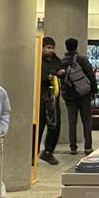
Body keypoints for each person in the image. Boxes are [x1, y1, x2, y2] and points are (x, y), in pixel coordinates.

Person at [58, 37, 96, 154]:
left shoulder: (62, 62)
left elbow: (61, 80)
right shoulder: (81, 59)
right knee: (87, 120)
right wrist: (93, 90)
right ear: (76, 46)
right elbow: (90, 74)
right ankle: (88, 147)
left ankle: (73, 147)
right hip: (84, 94)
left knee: (72, 121)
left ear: (66, 47)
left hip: (69, 96)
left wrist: (64, 93)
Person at [37, 36, 63, 164]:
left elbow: (60, 69)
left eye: (52, 48)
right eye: (48, 48)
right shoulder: (37, 61)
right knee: (38, 126)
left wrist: (58, 73)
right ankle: (33, 153)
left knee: (55, 126)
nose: (51, 50)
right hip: (39, 99)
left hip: (52, 99)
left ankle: (48, 152)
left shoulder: (56, 60)